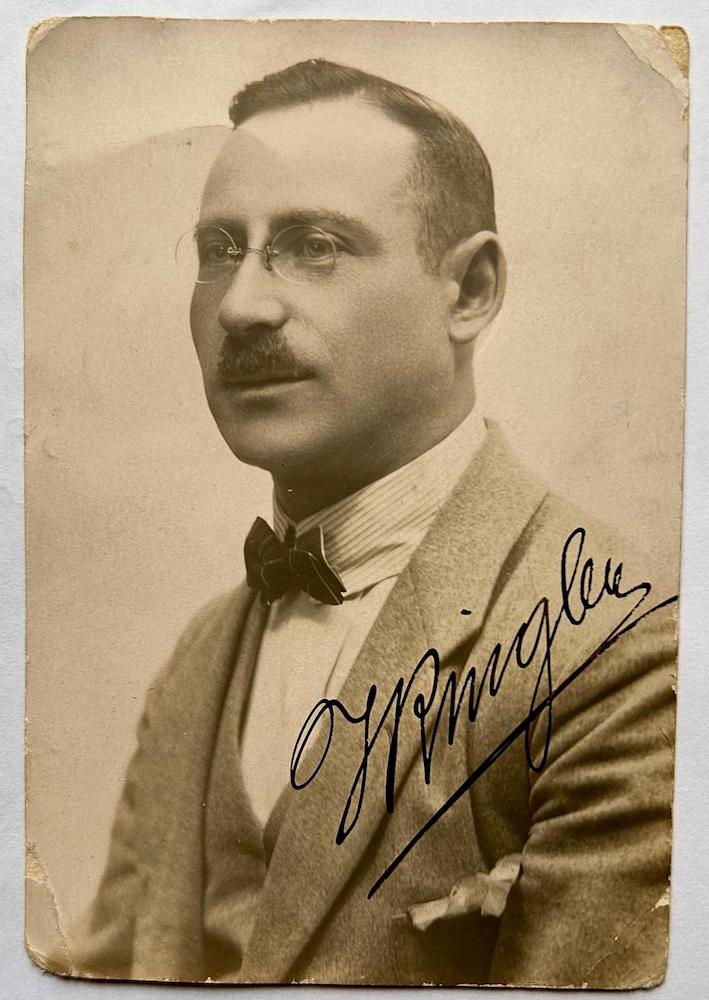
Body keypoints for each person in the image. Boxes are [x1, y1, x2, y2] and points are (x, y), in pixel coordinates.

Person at [60, 60, 677, 987]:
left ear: (468, 290)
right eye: (221, 249)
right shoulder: (199, 661)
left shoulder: (623, 645)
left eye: (314, 246)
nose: (241, 305)